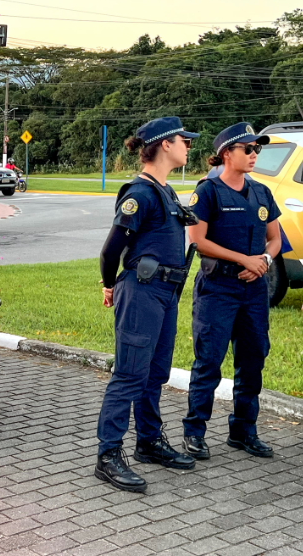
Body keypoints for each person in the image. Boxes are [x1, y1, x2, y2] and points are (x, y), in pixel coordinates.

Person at [95, 116, 199, 493]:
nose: (189, 145)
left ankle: (149, 442)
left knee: (155, 374)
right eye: (184, 140)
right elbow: (111, 251)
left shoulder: (166, 191)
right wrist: (109, 285)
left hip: (165, 294)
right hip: (141, 292)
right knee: (129, 374)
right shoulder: (139, 194)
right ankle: (108, 455)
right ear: (165, 144)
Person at [182, 123, 281, 460]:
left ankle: (243, 431)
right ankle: (194, 432)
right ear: (227, 153)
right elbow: (197, 241)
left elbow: (275, 238)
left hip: (254, 290)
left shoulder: (262, 192)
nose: (254, 155)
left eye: (258, 150)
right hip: (218, 287)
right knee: (209, 360)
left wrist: (264, 260)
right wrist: (244, 259)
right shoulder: (207, 191)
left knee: (253, 359)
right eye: (248, 149)